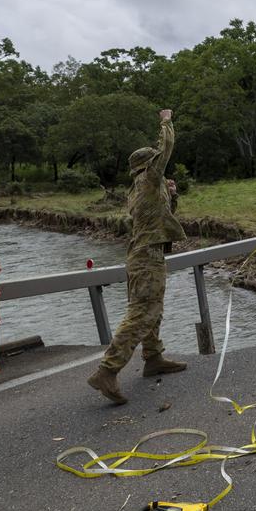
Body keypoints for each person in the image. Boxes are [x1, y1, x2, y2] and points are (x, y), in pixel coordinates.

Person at [88, 109, 189, 404]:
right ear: (148, 165)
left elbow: (161, 219)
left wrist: (172, 196)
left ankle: (154, 357)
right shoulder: (149, 178)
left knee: (148, 307)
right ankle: (107, 371)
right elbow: (166, 147)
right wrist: (166, 120)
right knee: (144, 311)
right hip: (147, 257)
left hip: (139, 255)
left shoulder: (138, 189)